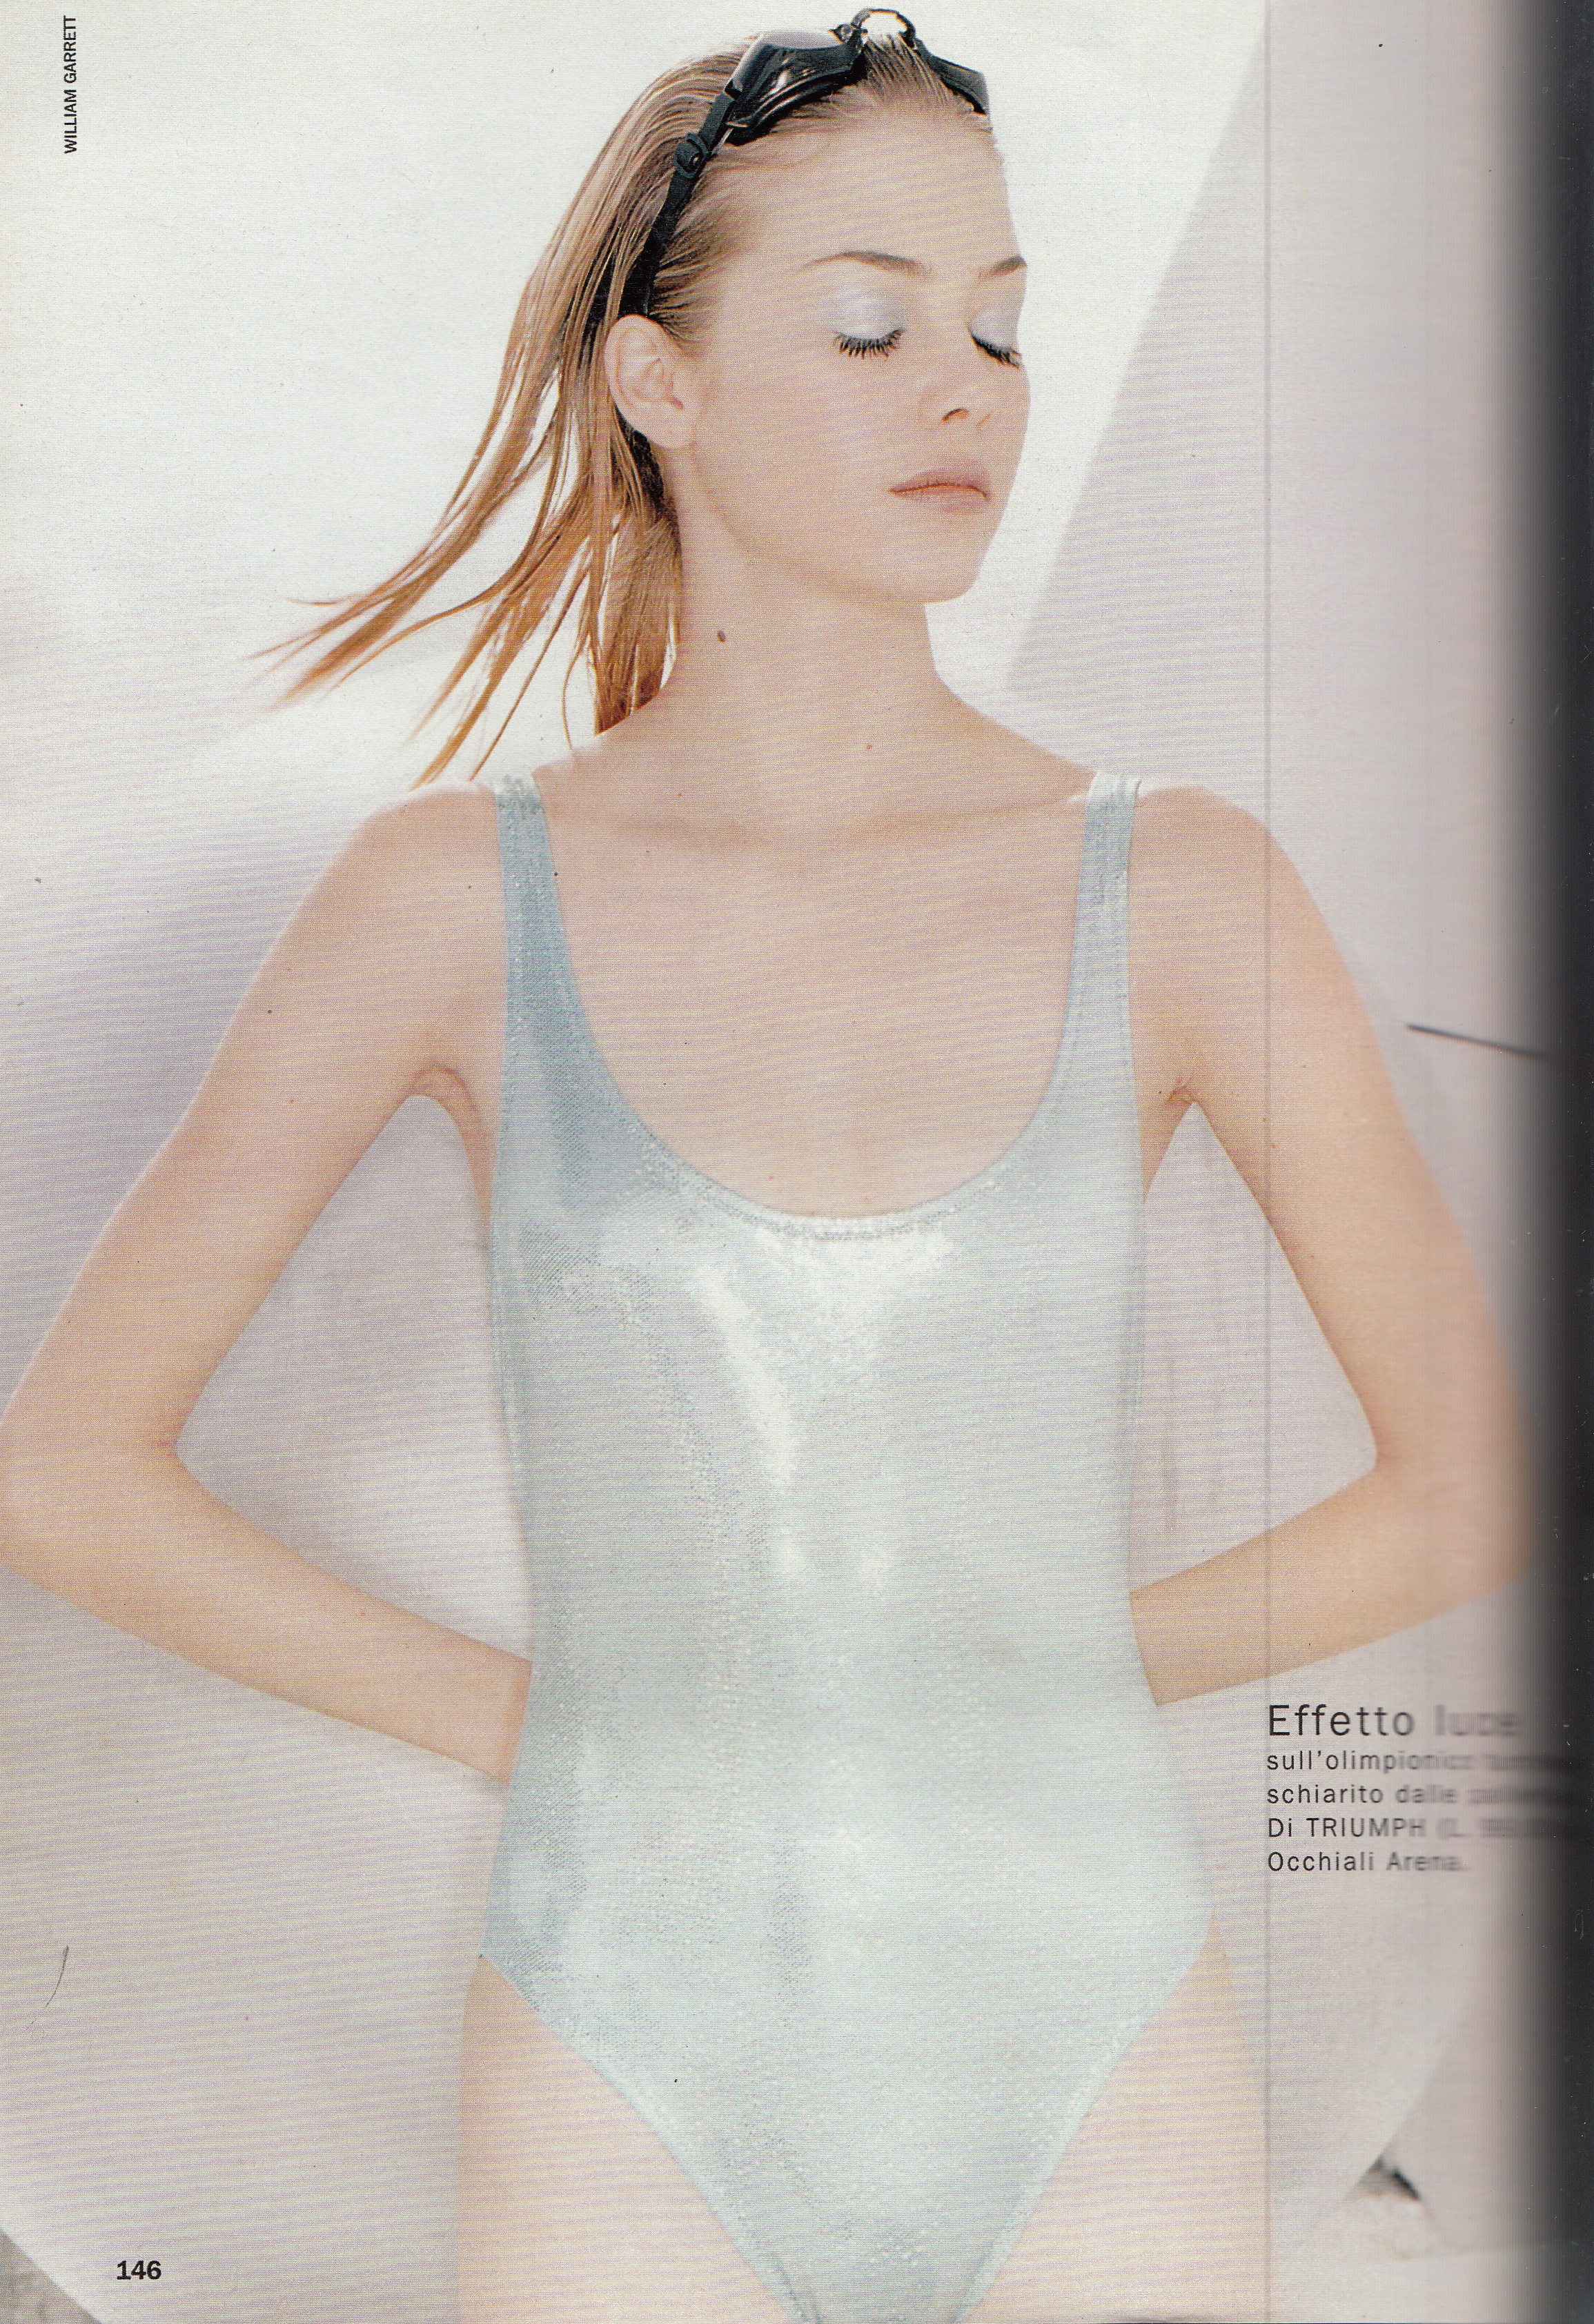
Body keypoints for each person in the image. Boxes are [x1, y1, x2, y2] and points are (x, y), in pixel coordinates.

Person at [0, 15, 1521, 2323]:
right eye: (871, 324)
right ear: (659, 379)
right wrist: (547, 1720)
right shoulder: (444, 897)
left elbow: (1469, 1485)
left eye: (1003, 326)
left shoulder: (1189, 890)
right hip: (621, 2037)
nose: (967, 394)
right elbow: (67, 1475)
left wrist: (1037, 1674)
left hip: (1095, 2030)